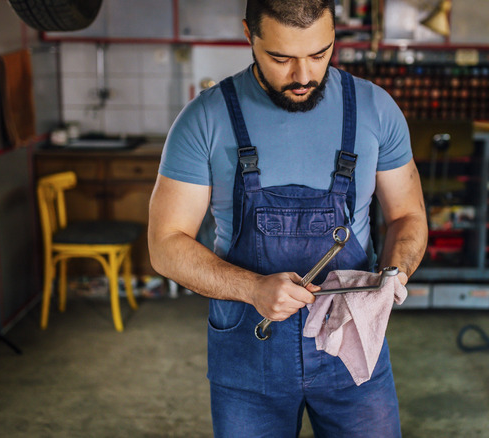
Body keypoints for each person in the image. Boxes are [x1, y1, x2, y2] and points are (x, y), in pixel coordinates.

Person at [148, 0, 427, 436]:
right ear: (249, 35)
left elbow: (407, 215)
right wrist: (253, 288)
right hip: (248, 355)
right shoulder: (205, 118)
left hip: (351, 347)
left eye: (320, 54)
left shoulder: (375, 109)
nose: (303, 76)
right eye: (281, 58)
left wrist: (395, 272)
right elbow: (165, 245)